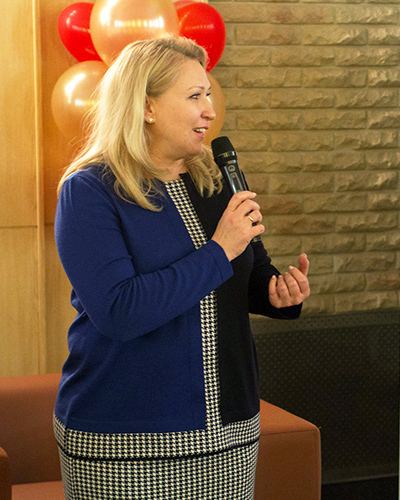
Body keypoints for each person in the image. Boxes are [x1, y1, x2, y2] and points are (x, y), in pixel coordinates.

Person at [53, 36, 310, 499]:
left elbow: (247, 271)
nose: (209, 110)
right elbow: (119, 311)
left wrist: (275, 292)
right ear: (146, 106)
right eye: (194, 96)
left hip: (228, 433)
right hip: (124, 438)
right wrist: (219, 250)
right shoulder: (89, 191)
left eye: (208, 94)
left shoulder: (215, 180)